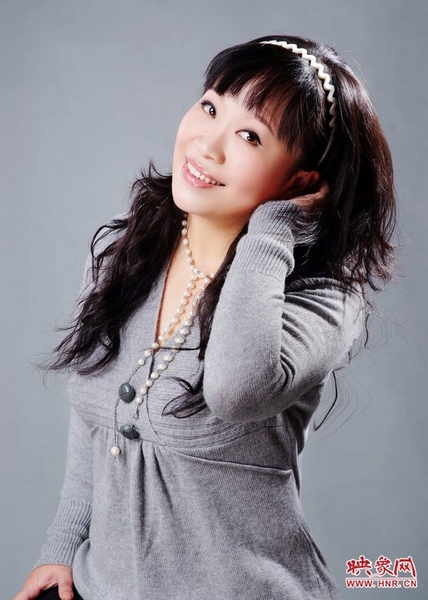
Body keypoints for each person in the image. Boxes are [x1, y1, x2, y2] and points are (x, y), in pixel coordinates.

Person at [14, 34, 396, 600]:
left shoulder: (324, 300)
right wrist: (62, 546)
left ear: (301, 181)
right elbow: (94, 416)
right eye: (211, 107)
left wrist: (274, 231)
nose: (207, 145)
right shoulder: (127, 253)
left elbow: (235, 390)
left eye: (250, 136)